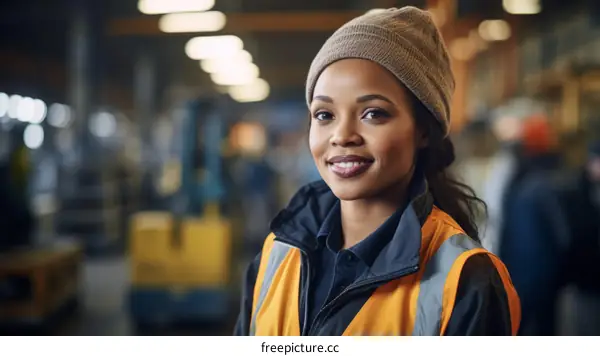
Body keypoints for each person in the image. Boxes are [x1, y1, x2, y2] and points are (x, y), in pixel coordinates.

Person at [234, 6, 521, 336]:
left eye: (373, 113)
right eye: (324, 115)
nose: (342, 135)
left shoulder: (467, 281)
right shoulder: (277, 253)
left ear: (423, 130)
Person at [498, 116, 569, 335]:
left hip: (527, 274)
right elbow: (562, 234)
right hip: (536, 274)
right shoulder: (546, 179)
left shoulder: (525, 179)